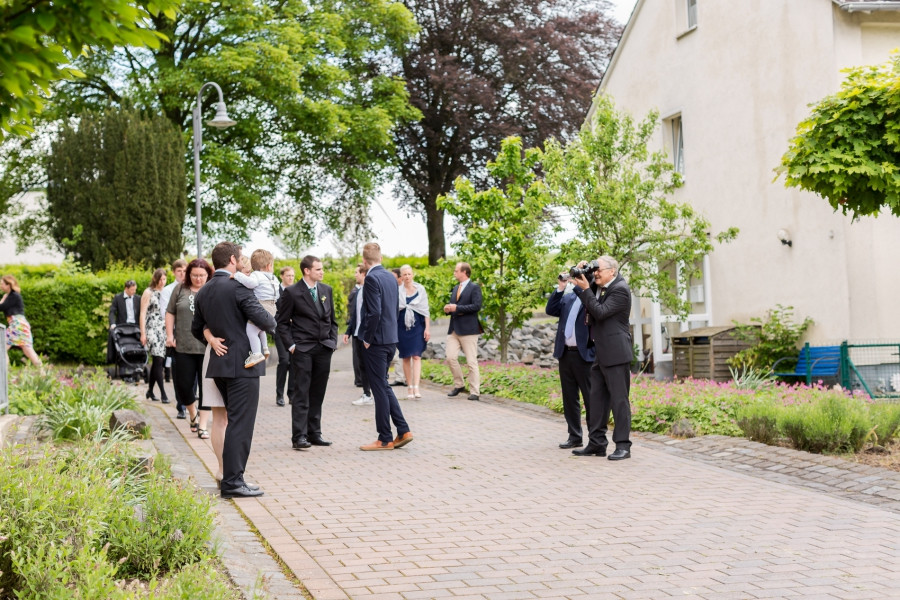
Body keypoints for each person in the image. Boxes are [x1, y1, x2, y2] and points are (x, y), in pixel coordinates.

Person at [191, 241, 276, 498]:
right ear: (231, 259)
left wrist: (211, 338)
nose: (242, 261)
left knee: (233, 422)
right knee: (241, 423)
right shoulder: (238, 287)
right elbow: (266, 320)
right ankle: (233, 482)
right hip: (243, 364)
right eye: (240, 258)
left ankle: (232, 478)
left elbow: (197, 328)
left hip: (219, 365)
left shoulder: (204, 291)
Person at [570, 256, 633, 461]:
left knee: (619, 401)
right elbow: (589, 297)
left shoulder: (620, 289)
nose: (595, 273)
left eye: (599, 269)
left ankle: (623, 446)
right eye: (595, 269)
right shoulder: (601, 286)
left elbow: (600, 311)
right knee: (596, 400)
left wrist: (586, 288)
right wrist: (582, 274)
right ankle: (597, 444)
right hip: (601, 351)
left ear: (612, 271)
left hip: (616, 353)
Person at [276, 255, 338, 450]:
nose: (322, 272)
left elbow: (333, 320)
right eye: (318, 269)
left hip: (323, 348)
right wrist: (292, 346)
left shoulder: (326, 290)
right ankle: (299, 436)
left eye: (322, 269)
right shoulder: (292, 292)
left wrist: (332, 342)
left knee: (318, 392)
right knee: (301, 392)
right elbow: (282, 322)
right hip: (302, 349)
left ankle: (314, 433)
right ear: (307, 271)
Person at [358, 242, 413, 451]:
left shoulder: (371, 278)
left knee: (379, 388)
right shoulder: (391, 277)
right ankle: (403, 429)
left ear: (364, 261)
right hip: (391, 339)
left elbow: (374, 313)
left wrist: (367, 338)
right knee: (384, 385)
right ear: (380, 258)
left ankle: (384, 438)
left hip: (377, 341)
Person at [545, 272, 594, 449]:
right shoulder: (569, 297)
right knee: (569, 398)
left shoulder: (591, 296)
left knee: (590, 398)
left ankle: (594, 439)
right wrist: (561, 287)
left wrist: (581, 287)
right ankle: (575, 436)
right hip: (565, 353)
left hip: (585, 354)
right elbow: (550, 310)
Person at [167, 259, 213, 439]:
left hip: (207, 347)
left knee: (206, 389)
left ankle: (202, 425)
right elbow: (170, 312)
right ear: (188, 274)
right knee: (184, 387)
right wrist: (170, 335)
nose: (198, 279)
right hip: (183, 346)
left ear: (208, 275)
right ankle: (192, 413)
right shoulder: (180, 289)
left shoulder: (211, 290)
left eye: (202, 275)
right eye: (195, 275)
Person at [233, 251, 280, 367]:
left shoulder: (256, 275)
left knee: (251, 330)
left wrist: (236, 275)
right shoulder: (274, 278)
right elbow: (278, 295)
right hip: (272, 306)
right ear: (269, 266)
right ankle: (265, 348)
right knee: (260, 328)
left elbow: (251, 284)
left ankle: (256, 353)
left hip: (262, 305)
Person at [444, 262, 483, 401]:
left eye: (456, 271)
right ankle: (459, 384)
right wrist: (449, 309)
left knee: (471, 362)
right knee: (450, 357)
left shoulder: (474, 288)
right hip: (454, 329)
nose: (454, 273)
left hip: (469, 330)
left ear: (464, 272)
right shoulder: (455, 288)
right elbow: (455, 306)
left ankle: (475, 392)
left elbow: (476, 306)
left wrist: (457, 308)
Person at [397, 264, 430, 399]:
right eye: (404, 274)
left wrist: (427, 328)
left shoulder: (420, 290)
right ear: (401, 277)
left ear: (413, 275)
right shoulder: (398, 291)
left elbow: (425, 310)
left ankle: (416, 387)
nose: (407, 276)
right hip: (402, 325)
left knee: (416, 356)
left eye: (409, 274)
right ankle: (409, 386)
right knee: (405, 356)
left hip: (418, 325)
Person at [343, 263, 373, 406]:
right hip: (357, 333)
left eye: (358, 273)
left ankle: (374, 394)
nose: (355, 275)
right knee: (361, 365)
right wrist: (348, 331)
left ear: (364, 274)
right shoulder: (358, 292)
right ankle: (366, 393)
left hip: (367, 334)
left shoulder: (371, 290)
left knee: (370, 365)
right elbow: (355, 314)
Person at [160, 259, 187, 416]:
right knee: (178, 371)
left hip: (192, 335)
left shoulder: (193, 288)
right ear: (174, 272)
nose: (182, 274)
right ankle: (181, 405)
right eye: (179, 271)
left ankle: (189, 400)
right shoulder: (168, 290)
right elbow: (167, 313)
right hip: (177, 334)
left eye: (185, 271)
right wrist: (171, 335)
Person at [0, 275, 42, 367]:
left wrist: (2, 299)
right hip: (22, 325)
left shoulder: (13, 295)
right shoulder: (13, 295)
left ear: (9, 285)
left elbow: (1, 307)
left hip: (16, 324)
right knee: (28, 351)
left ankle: (4, 375)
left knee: (2, 348)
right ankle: (44, 374)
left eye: (2, 284)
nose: (0, 285)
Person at [140, 268, 169, 403]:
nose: (162, 282)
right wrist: (143, 333)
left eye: (164, 279)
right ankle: (163, 393)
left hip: (163, 329)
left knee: (159, 361)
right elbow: (142, 313)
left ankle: (150, 391)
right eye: (160, 279)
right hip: (151, 328)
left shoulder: (166, 292)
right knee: (157, 359)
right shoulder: (148, 292)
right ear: (155, 279)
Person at [273, 266, 296, 406]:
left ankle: (292, 394)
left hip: (294, 332)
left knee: (294, 362)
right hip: (281, 331)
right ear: (282, 276)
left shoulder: (295, 291)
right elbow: (272, 311)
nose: (291, 278)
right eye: (288, 275)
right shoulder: (276, 292)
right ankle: (279, 394)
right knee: (284, 360)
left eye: (292, 276)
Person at [107, 279, 140, 364]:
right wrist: (113, 324)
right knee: (112, 335)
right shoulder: (118, 298)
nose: (134, 291)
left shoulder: (138, 298)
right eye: (132, 290)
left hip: (135, 327)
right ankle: (114, 359)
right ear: (126, 288)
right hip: (122, 327)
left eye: (135, 289)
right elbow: (112, 312)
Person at [388, 267, 407, 387]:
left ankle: (403, 377)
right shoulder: (392, 289)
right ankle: (400, 377)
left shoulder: (404, 290)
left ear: (400, 278)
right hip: (394, 324)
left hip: (403, 323)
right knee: (397, 351)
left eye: (394, 278)